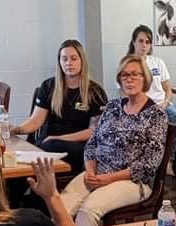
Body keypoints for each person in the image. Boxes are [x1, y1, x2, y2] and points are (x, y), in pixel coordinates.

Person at [60, 55, 167, 226]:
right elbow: (92, 144)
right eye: (124, 75)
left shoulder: (156, 115)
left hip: (133, 182)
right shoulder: (112, 107)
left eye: (135, 74)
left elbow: (148, 165)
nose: (129, 79)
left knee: (88, 210)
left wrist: (109, 178)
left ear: (145, 78)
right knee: (61, 206)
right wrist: (90, 171)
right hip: (98, 173)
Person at [16, 39, 108, 173]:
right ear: (59, 62)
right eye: (64, 59)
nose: (68, 63)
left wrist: (59, 138)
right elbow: (35, 121)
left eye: (73, 58)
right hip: (48, 142)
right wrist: (16, 130)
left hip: (76, 145)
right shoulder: (48, 86)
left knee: (48, 147)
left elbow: (94, 131)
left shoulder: (95, 92)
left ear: (82, 61)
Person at [127, 25, 176, 176]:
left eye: (148, 42)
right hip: (143, 107)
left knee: (174, 112)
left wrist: (165, 102)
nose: (144, 45)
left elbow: (168, 89)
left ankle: (168, 161)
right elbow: (125, 94)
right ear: (134, 42)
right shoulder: (128, 64)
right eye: (141, 41)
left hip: (162, 105)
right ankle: (167, 163)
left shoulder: (158, 62)